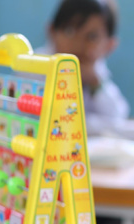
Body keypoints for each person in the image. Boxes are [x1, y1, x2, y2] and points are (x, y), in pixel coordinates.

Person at [43, 0, 127, 134]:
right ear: (52, 32)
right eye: (69, 31)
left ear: (109, 46)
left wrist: (95, 83)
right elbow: (56, 121)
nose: (79, 42)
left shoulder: (94, 69)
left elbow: (117, 116)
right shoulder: (38, 66)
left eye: (92, 36)